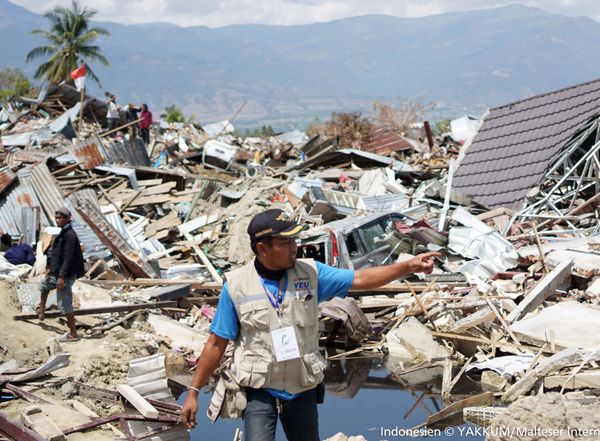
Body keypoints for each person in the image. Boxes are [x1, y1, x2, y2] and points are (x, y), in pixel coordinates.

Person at [180, 208, 439, 441]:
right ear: (262, 248)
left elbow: (361, 279)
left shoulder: (312, 273)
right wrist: (193, 391)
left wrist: (407, 266)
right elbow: (216, 342)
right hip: (259, 388)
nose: (294, 247)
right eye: (286, 242)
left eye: (295, 240)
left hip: (300, 386)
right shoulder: (236, 286)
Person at [38, 207, 85, 343]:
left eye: (61, 218)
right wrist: (50, 269)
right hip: (57, 273)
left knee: (64, 304)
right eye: (57, 218)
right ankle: (41, 310)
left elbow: (68, 258)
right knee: (44, 285)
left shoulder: (70, 235)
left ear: (68, 218)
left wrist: (62, 277)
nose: (58, 220)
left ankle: (73, 333)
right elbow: (55, 253)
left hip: (65, 275)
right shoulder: (62, 232)